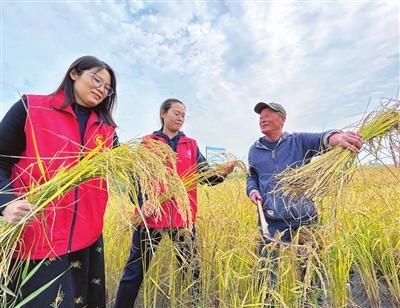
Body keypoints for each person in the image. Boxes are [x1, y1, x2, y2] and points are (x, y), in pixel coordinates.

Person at [0, 55, 118, 307]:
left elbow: (126, 169)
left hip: (87, 238)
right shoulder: (31, 108)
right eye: (96, 79)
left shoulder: (107, 130)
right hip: (37, 236)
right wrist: (6, 203)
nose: (101, 89)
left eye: (107, 88)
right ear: (74, 73)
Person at [114, 98, 234, 308]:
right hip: (151, 218)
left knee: (192, 269)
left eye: (183, 115)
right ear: (163, 113)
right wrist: (144, 202)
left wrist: (221, 174)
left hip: (182, 219)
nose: (181, 118)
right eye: (176, 113)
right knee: (135, 271)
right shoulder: (148, 143)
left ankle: (195, 304)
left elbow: (205, 177)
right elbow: (136, 179)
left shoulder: (190, 145)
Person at [246, 101, 363, 290]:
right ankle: (269, 300)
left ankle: (310, 299)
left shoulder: (298, 141)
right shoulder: (255, 150)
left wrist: (337, 137)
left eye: (268, 114)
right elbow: (252, 177)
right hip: (271, 219)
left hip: (304, 218)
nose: (262, 118)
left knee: (310, 269)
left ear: (282, 119)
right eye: (260, 116)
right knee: (266, 270)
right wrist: (252, 190)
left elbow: (323, 139)